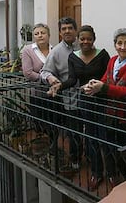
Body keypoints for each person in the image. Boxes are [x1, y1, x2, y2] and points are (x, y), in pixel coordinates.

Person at [83, 27, 126, 186]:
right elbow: (105, 79)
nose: (122, 47)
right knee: (119, 153)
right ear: (115, 44)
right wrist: (91, 85)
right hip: (114, 116)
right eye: (119, 43)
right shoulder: (113, 60)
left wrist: (103, 88)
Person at [49, 25, 110, 190]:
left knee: (105, 137)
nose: (85, 41)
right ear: (78, 39)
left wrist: (100, 86)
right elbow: (72, 79)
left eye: (89, 38)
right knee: (90, 138)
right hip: (85, 102)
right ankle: (97, 173)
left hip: (103, 100)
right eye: (82, 38)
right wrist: (59, 86)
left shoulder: (103, 55)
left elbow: (108, 77)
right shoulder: (73, 57)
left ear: (93, 39)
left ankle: (111, 172)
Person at [40, 17, 81, 169]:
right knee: (74, 133)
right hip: (69, 100)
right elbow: (44, 72)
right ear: (60, 32)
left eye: (70, 28)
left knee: (91, 132)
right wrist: (52, 79)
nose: (67, 31)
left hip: (88, 98)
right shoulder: (56, 52)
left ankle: (92, 159)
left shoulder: (83, 44)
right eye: (64, 29)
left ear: (75, 29)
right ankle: (76, 159)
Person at [20, 23, 52, 133]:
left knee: (55, 124)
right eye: (37, 34)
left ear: (49, 35)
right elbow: (28, 73)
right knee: (41, 126)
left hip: (54, 94)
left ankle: (54, 148)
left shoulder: (54, 50)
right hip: (38, 94)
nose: (40, 35)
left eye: (43, 33)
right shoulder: (28, 50)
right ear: (34, 37)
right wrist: (47, 79)